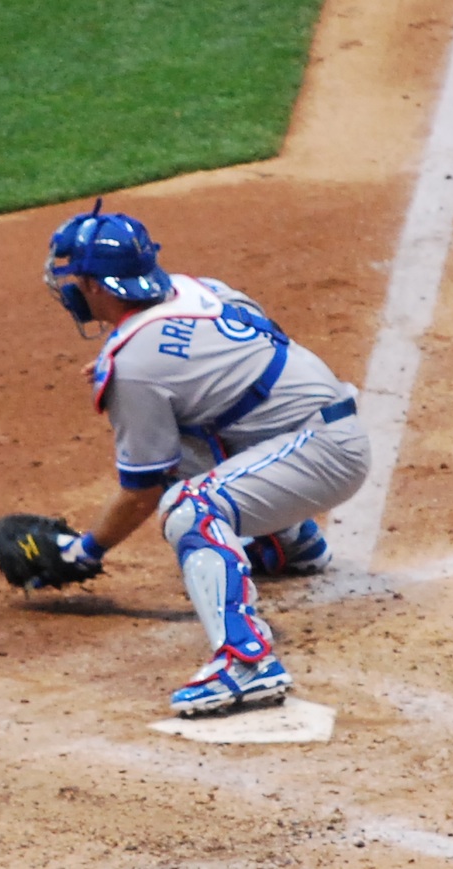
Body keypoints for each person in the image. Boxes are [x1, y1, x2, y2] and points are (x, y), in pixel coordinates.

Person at [40, 202, 369, 715]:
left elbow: (141, 493)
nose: (69, 290)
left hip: (322, 453)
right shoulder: (196, 288)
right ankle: (288, 543)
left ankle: (247, 664)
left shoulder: (135, 365)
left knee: (187, 507)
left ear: (98, 287)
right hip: (315, 432)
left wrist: (84, 552)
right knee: (190, 430)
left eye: (75, 280)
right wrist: (132, 367)